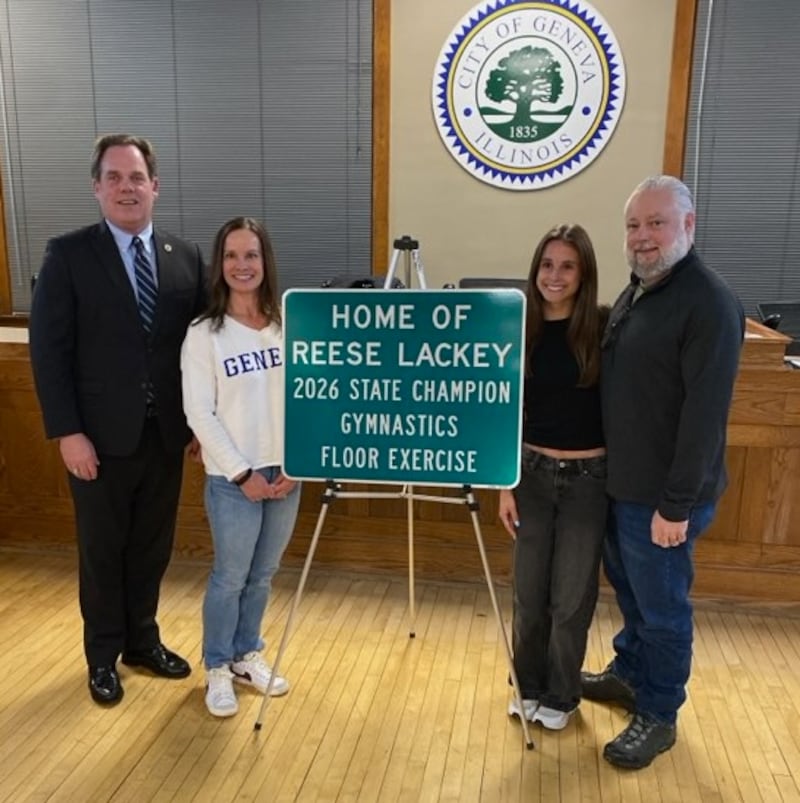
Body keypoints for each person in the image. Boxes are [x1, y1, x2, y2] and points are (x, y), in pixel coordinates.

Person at [28, 133, 206, 705]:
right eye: (114, 178)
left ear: (155, 187)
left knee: (152, 547)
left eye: (136, 178)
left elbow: (201, 349)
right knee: (102, 552)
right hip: (97, 441)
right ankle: (102, 656)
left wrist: (202, 425)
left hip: (166, 437)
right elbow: (49, 351)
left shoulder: (186, 257)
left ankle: (141, 642)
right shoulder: (69, 255)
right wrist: (67, 431)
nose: (126, 188)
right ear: (97, 188)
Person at [581, 175, 744, 769]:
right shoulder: (638, 291)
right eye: (633, 225)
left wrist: (675, 506)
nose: (642, 237)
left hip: (665, 500)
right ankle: (630, 673)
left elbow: (705, 417)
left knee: (664, 607)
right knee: (632, 595)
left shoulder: (708, 301)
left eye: (656, 223)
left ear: (688, 225)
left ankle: (659, 711)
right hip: (624, 489)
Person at [181, 216, 300, 718]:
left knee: (264, 573)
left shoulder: (286, 325)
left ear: (264, 262)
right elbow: (198, 412)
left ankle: (248, 654)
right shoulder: (204, 334)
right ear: (219, 265)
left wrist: (300, 462)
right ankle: (216, 666)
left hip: (287, 474)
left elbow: (306, 397)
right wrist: (241, 474)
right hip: (234, 480)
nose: (241, 265)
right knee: (230, 576)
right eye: (231, 256)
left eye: (250, 255)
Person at [498, 223, 608, 731]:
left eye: (567, 266)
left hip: (589, 480)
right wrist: (504, 484)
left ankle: (562, 694)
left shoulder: (603, 331)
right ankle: (528, 684)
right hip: (532, 475)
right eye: (547, 264)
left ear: (583, 274)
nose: (555, 275)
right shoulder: (520, 329)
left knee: (570, 597)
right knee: (528, 593)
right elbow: (507, 410)